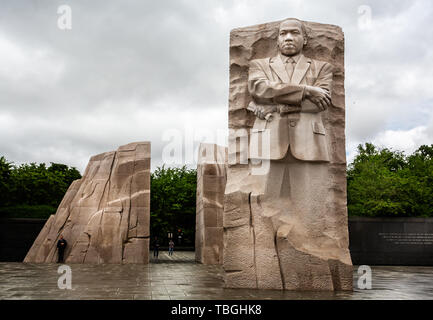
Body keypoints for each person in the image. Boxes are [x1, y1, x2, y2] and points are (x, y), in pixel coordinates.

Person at [247, 18, 333, 248]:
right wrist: (305, 90)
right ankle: (264, 254)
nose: (288, 38)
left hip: (309, 143)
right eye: (283, 33)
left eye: (294, 33)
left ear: (304, 39)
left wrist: (277, 105)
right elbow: (259, 89)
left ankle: (310, 251)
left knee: (310, 209)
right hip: (267, 141)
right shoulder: (260, 65)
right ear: (276, 39)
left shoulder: (321, 67)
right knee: (262, 206)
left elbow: (320, 103)